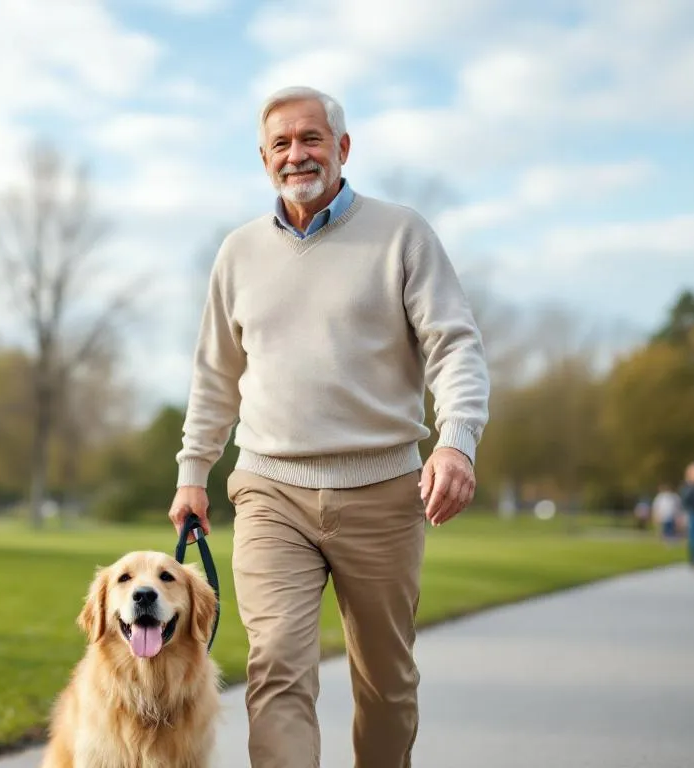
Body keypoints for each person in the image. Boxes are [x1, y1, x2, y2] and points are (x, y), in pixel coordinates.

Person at [167, 85, 490, 768]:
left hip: (382, 491)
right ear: (263, 159)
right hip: (270, 491)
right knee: (278, 667)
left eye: (311, 138)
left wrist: (456, 441)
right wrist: (193, 472)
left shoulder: (402, 233)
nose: (297, 154)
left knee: (386, 684)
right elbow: (215, 376)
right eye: (281, 144)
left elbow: (455, 345)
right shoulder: (238, 252)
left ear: (342, 149)